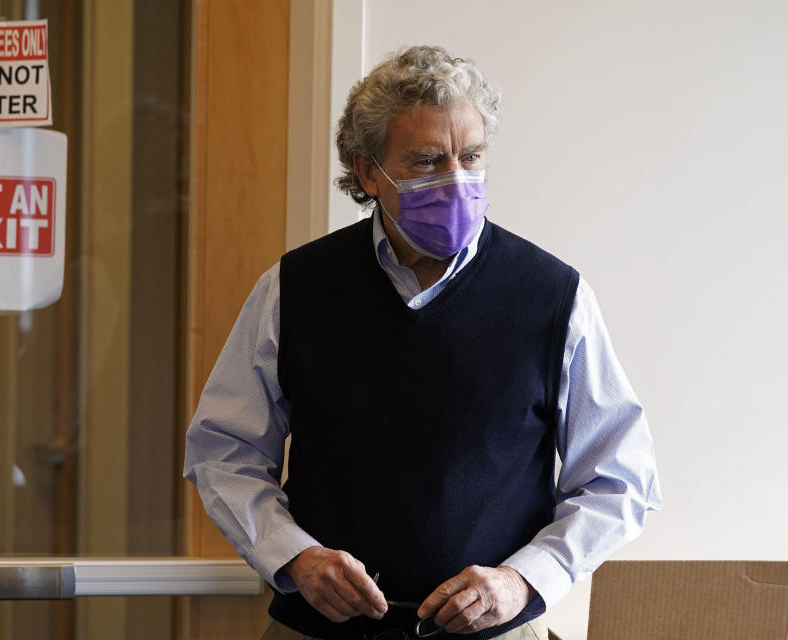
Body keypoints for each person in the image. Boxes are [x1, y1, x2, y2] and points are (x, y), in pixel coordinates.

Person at [184, 45, 661, 640]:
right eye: (429, 160)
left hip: (496, 633)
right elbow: (221, 450)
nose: (457, 181)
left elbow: (620, 476)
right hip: (319, 631)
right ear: (367, 172)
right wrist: (293, 556)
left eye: (472, 156)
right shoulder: (294, 288)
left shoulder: (554, 297)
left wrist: (523, 580)